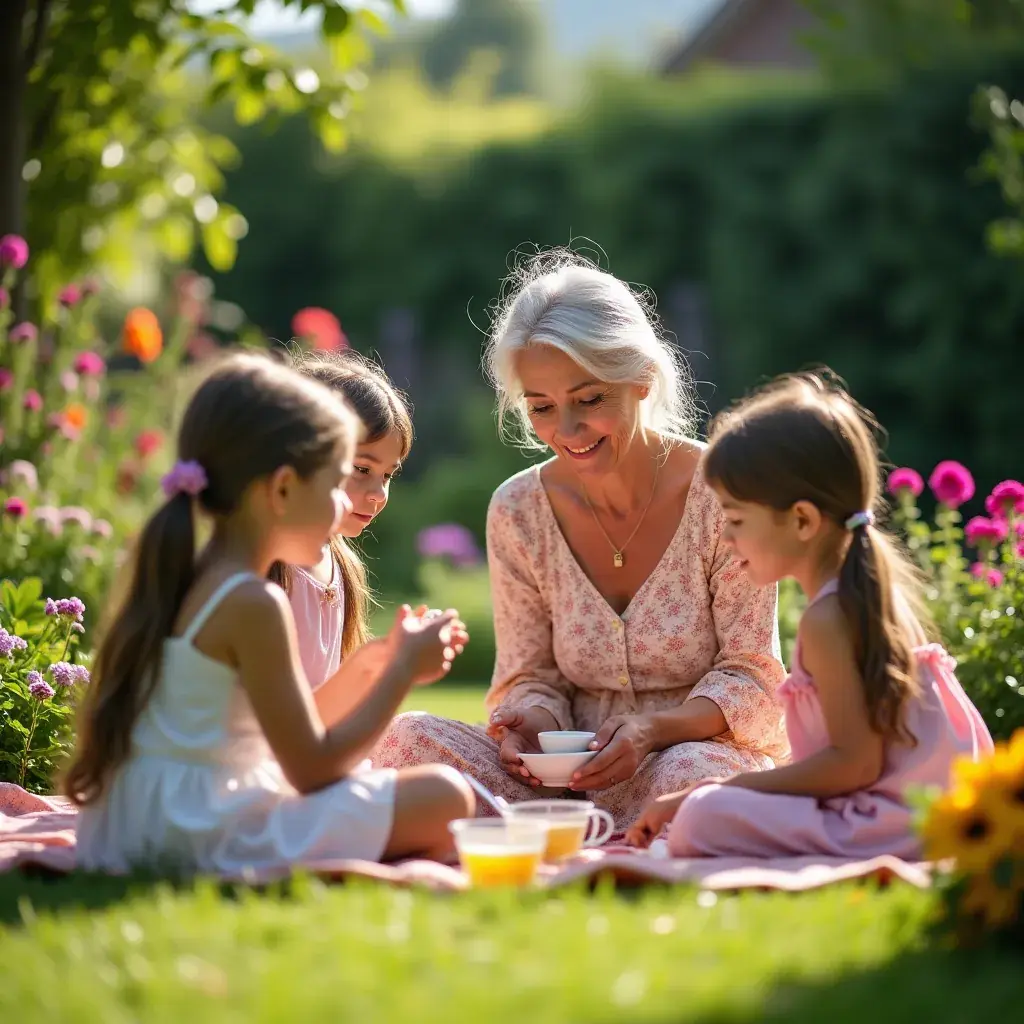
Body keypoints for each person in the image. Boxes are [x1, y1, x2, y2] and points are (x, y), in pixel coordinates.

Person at [374, 254, 788, 829]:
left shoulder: (724, 494)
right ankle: (591, 833)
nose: (566, 432)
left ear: (641, 378)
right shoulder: (518, 510)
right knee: (407, 739)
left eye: (589, 399)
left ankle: (592, 836)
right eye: (542, 408)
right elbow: (530, 676)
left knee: (693, 782)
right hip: (560, 782)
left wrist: (651, 732)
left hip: (688, 757)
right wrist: (530, 724)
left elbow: (753, 676)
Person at [67, 352, 474, 874]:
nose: (343, 505)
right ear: (282, 489)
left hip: (146, 821)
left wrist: (375, 664)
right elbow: (312, 771)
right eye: (336, 481)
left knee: (418, 792)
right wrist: (402, 672)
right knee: (445, 796)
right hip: (198, 828)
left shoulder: (200, 573)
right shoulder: (254, 602)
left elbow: (285, 734)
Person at [625, 372, 993, 857]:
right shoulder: (862, 592)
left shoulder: (830, 618)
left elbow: (854, 766)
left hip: (893, 820)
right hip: (923, 811)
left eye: (735, 519)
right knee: (708, 805)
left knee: (702, 816)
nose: (727, 537)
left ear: (802, 520)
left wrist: (715, 791)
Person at [268, 350, 415, 723]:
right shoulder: (267, 569)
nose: (378, 494)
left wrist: (390, 659)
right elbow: (290, 724)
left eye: (388, 475)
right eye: (361, 469)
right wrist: (392, 668)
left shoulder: (344, 567)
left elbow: (340, 711)